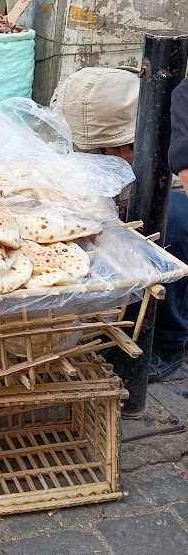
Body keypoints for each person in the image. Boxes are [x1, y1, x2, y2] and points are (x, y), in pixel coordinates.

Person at [51, 66, 188, 383]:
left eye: (122, 147)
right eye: (105, 149)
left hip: (179, 241)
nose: (115, 156)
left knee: (172, 220)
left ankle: (168, 344)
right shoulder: (81, 114)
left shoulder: (174, 133)